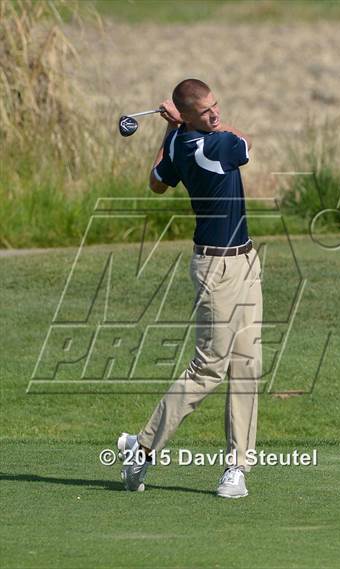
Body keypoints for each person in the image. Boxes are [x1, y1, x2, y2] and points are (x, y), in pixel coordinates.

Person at [118, 79, 263, 498]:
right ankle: (143, 447)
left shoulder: (181, 142)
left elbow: (157, 181)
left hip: (245, 261)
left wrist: (171, 128)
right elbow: (244, 146)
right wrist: (184, 126)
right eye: (205, 112)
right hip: (217, 270)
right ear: (190, 115)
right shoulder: (213, 146)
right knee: (209, 367)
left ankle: (237, 468)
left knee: (247, 364)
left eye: (216, 106)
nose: (214, 115)